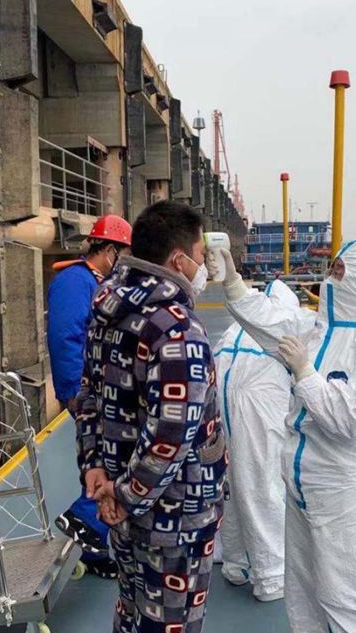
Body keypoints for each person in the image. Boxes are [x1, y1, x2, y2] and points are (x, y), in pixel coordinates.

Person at [211, 239, 356, 633]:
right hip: (303, 485)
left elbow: (348, 421)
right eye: (334, 267)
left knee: (354, 603)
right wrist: (232, 281)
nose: (331, 276)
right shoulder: (317, 329)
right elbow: (267, 323)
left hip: (344, 493)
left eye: (341, 270)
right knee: (305, 595)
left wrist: (305, 374)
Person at [78, 200, 227, 633]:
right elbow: (171, 436)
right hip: (174, 517)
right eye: (200, 255)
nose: (202, 265)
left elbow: (89, 395)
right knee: (170, 620)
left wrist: (94, 466)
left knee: (133, 608)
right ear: (178, 260)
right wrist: (125, 497)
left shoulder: (109, 310)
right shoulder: (177, 329)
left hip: (118, 499)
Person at [48, 213, 131, 579]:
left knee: (105, 458)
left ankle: (94, 542)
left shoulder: (98, 281)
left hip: (102, 389)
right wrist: (71, 392)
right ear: (110, 250)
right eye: (124, 254)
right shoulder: (74, 282)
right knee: (112, 460)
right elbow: (65, 336)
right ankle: (84, 519)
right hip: (85, 391)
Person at [214, 278, 300, 602]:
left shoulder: (235, 329)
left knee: (231, 487)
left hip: (223, 401)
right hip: (258, 405)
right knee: (262, 487)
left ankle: (236, 564)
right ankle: (271, 576)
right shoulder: (281, 332)